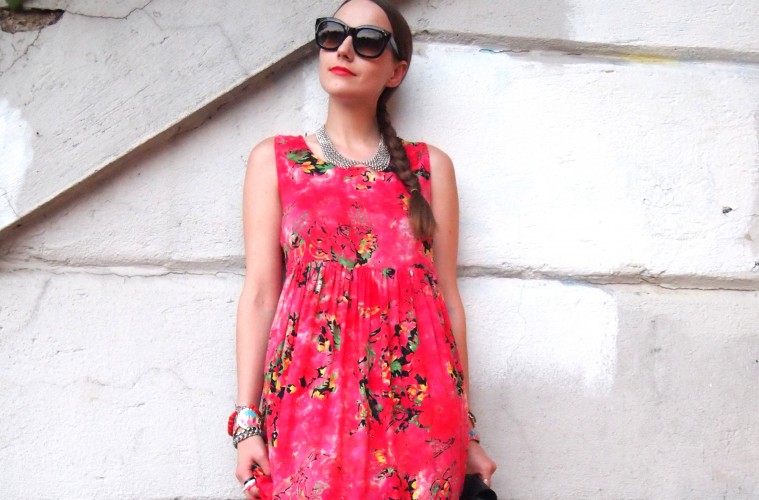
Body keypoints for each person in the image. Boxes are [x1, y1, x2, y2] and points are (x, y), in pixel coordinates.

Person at [231, 0, 497, 497]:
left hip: (420, 411)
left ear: (396, 72)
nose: (345, 50)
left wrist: (469, 432)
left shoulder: (431, 168)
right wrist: (246, 423)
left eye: (368, 41)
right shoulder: (277, 161)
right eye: (333, 34)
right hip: (309, 407)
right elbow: (261, 295)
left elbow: (447, 303)